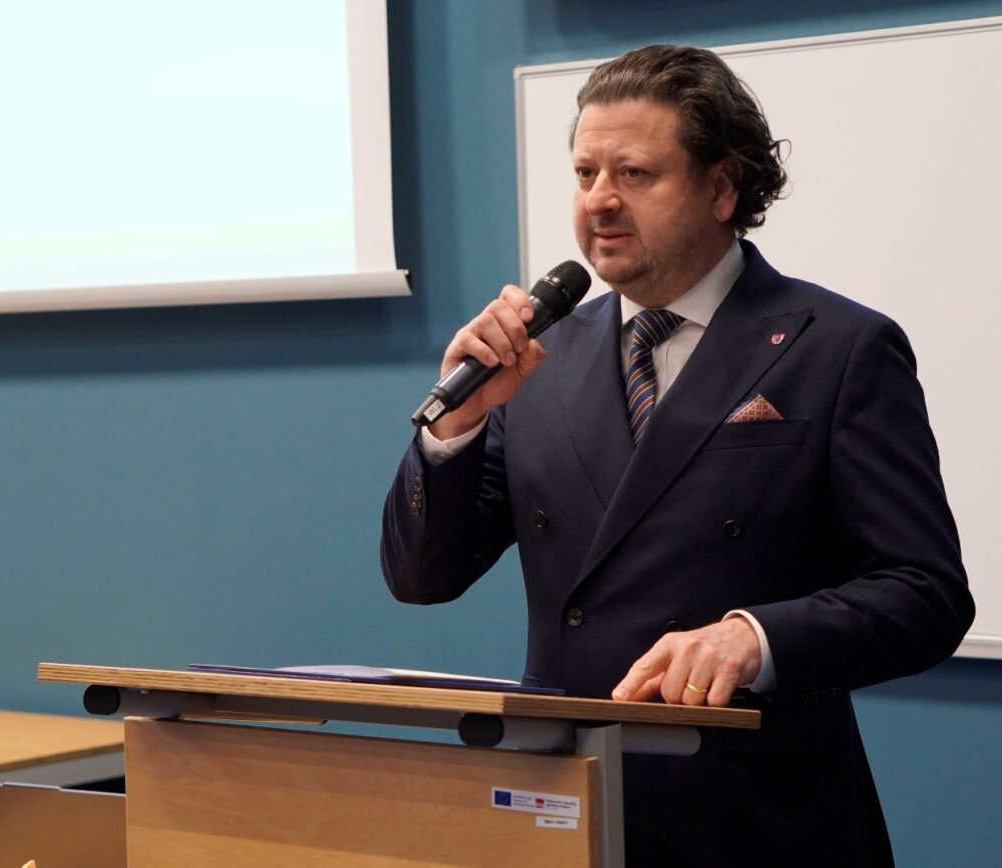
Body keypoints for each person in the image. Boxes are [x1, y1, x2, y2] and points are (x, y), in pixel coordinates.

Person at [381, 44, 974, 867]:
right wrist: (456, 429)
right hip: (569, 808)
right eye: (585, 173)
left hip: (756, 819)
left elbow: (924, 594)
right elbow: (422, 578)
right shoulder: (537, 359)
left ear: (723, 186)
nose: (599, 199)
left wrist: (753, 640)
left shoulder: (838, 348)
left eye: (634, 173)